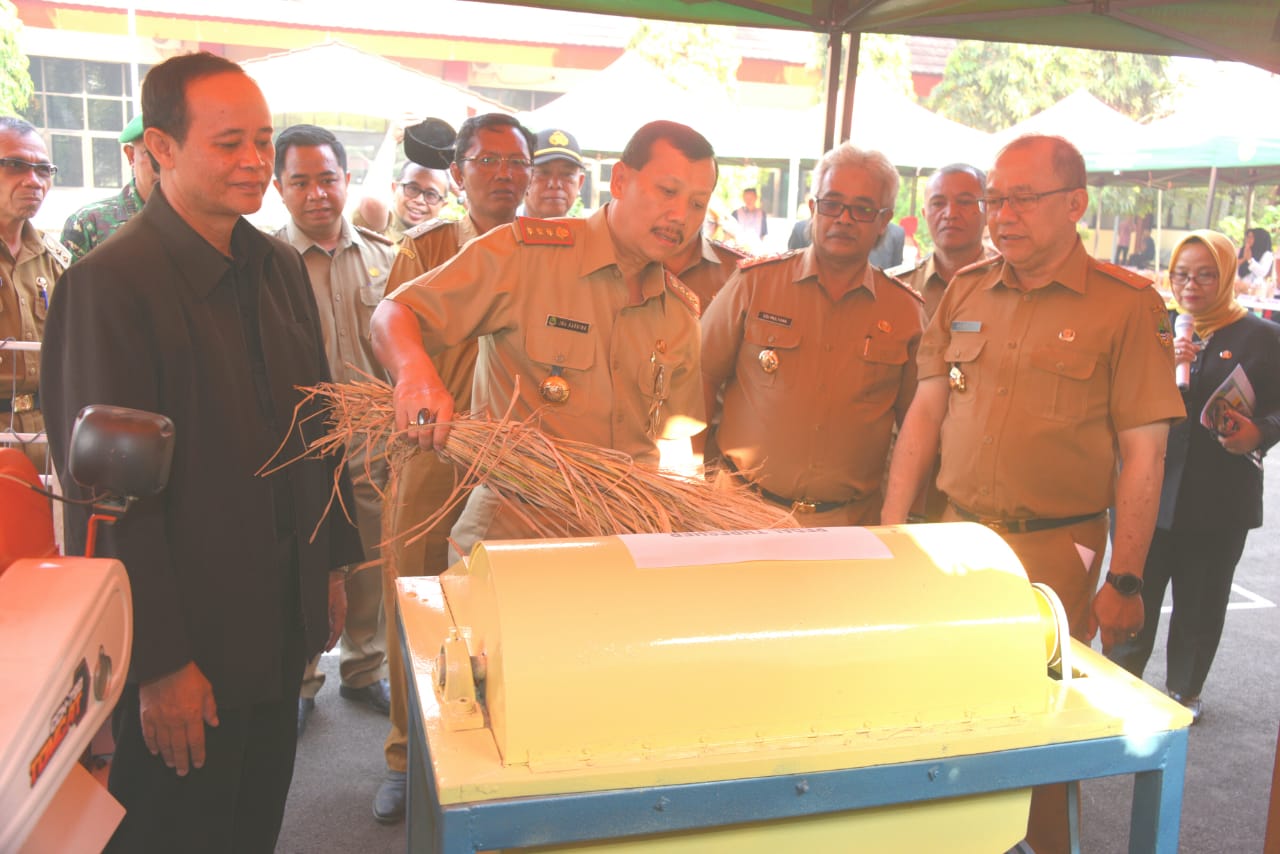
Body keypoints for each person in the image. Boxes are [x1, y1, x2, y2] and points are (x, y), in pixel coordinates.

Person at [39, 53, 363, 853]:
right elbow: (107, 502)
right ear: (161, 146)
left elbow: (316, 428)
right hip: (190, 640)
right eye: (228, 144)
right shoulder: (110, 283)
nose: (255, 162)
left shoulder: (277, 266)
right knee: (178, 831)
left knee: (255, 820)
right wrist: (158, 662)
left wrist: (330, 564)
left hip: (277, 615)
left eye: (262, 140)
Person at [881, 134, 1185, 854]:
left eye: (1022, 198)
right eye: (995, 199)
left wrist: (1127, 579)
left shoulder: (1127, 306)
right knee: (939, 708)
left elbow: (1146, 455)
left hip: (1054, 552)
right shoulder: (965, 288)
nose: (1000, 215)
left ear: (1075, 204)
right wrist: (892, 533)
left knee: (1042, 730)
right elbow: (925, 416)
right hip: (951, 540)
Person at [372, 111, 534, 824]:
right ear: (459, 172)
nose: (504, 174)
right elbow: (394, 332)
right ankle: (407, 756)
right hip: (435, 449)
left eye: (516, 162)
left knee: (502, 605)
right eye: (489, 160)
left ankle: (492, 744)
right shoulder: (427, 246)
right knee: (416, 593)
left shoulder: (548, 248)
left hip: (518, 456)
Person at [703, 143, 923, 526]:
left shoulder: (905, 313)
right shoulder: (754, 285)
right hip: (738, 514)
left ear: (883, 221)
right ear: (812, 208)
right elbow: (698, 377)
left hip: (848, 526)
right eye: (832, 203)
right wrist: (695, 480)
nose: (845, 218)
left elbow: (915, 425)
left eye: (863, 209)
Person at [1110, 230, 1280, 724]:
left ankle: (1183, 692)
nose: (1192, 286)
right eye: (1182, 274)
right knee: (1131, 592)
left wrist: (1260, 433)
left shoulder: (1263, 338)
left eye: (1207, 275)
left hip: (1218, 497)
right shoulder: (1154, 326)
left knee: (1201, 604)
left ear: (1227, 275)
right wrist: (1164, 368)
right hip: (1147, 492)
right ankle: (1119, 682)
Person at [272, 124, 395, 735]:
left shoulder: (385, 258)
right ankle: (299, 679)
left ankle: (365, 669)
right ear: (280, 187)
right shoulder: (264, 264)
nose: (317, 193)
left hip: (373, 442)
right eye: (301, 181)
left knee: (371, 558)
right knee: (303, 559)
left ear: (346, 181)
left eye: (328, 179)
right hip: (299, 444)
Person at [0, 116, 70, 472]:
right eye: (15, 166)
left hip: (47, 435)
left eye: (43, 170)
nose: (33, 181)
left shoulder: (55, 260)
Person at [887, 163, 992, 321]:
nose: (950, 214)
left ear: (988, 211)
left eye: (964, 202)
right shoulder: (894, 287)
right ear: (924, 214)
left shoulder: (1009, 288)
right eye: (938, 203)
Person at [59, 112, 158, 262]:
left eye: (174, 153)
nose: (164, 164)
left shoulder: (199, 221)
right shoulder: (88, 224)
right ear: (131, 156)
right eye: (151, 154)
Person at [353, 160, 450, 244]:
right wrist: (392, 141)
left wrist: (461, 196)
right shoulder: (377, 225)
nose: (419, 200)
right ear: (394, 188)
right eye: (412, 189)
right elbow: (370, 201)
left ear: (443, 204)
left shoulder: (444, 245)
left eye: (431, 195)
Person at [523, 127, 585, 219]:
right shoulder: (501, 231)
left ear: (580, 183)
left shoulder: (587, 232)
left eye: (567, 174)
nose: (555, 184)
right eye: (543, 173)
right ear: (524, 178)